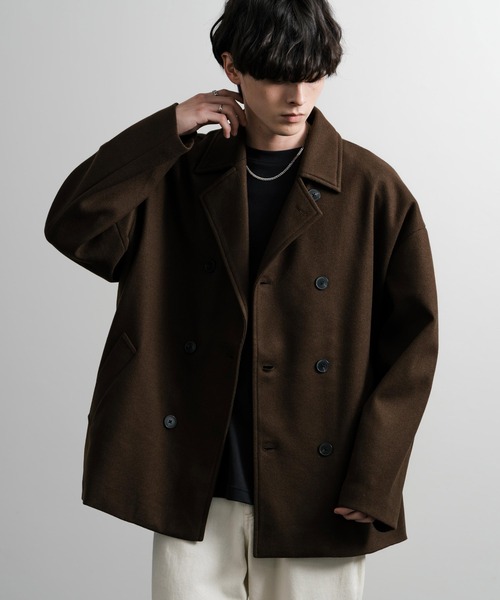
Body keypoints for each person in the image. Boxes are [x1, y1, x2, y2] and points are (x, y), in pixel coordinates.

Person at [45, 0, 438, 598]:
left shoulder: (372, 190)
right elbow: (72, 224)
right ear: (232, 68)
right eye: (278, 76)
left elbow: (414, 345)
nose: (298, 96)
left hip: (320, 489)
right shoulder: (179, 175)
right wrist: (168, 128)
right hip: (194, 482)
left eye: (314, 75)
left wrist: (374, 478)